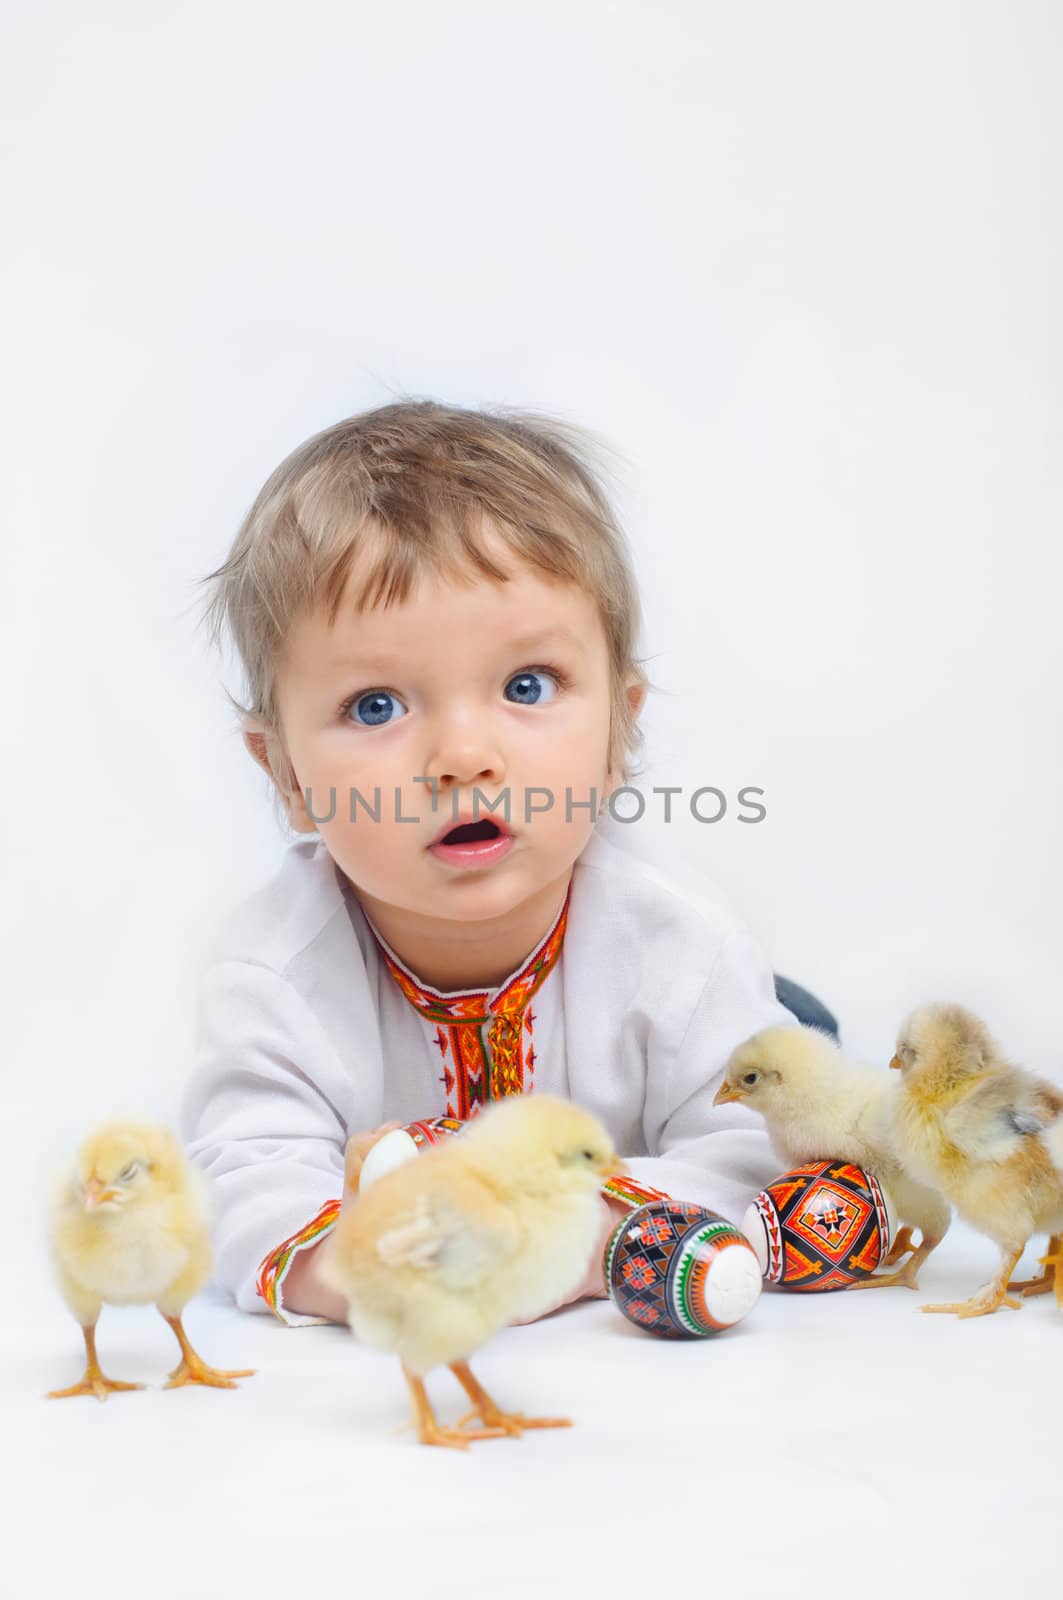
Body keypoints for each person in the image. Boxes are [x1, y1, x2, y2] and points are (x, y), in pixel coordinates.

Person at [181, 399, 826, 1327]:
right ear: (284, 773)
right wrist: (366, 1264)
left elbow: (749, 1148)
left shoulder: (671, 933)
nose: (461, 756)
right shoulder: (272, 971)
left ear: (618, 730)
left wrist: (567, 1242)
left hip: (715, 1040)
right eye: (374, 706)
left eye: (527, 686)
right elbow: (247, 1173)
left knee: (818, 1082)